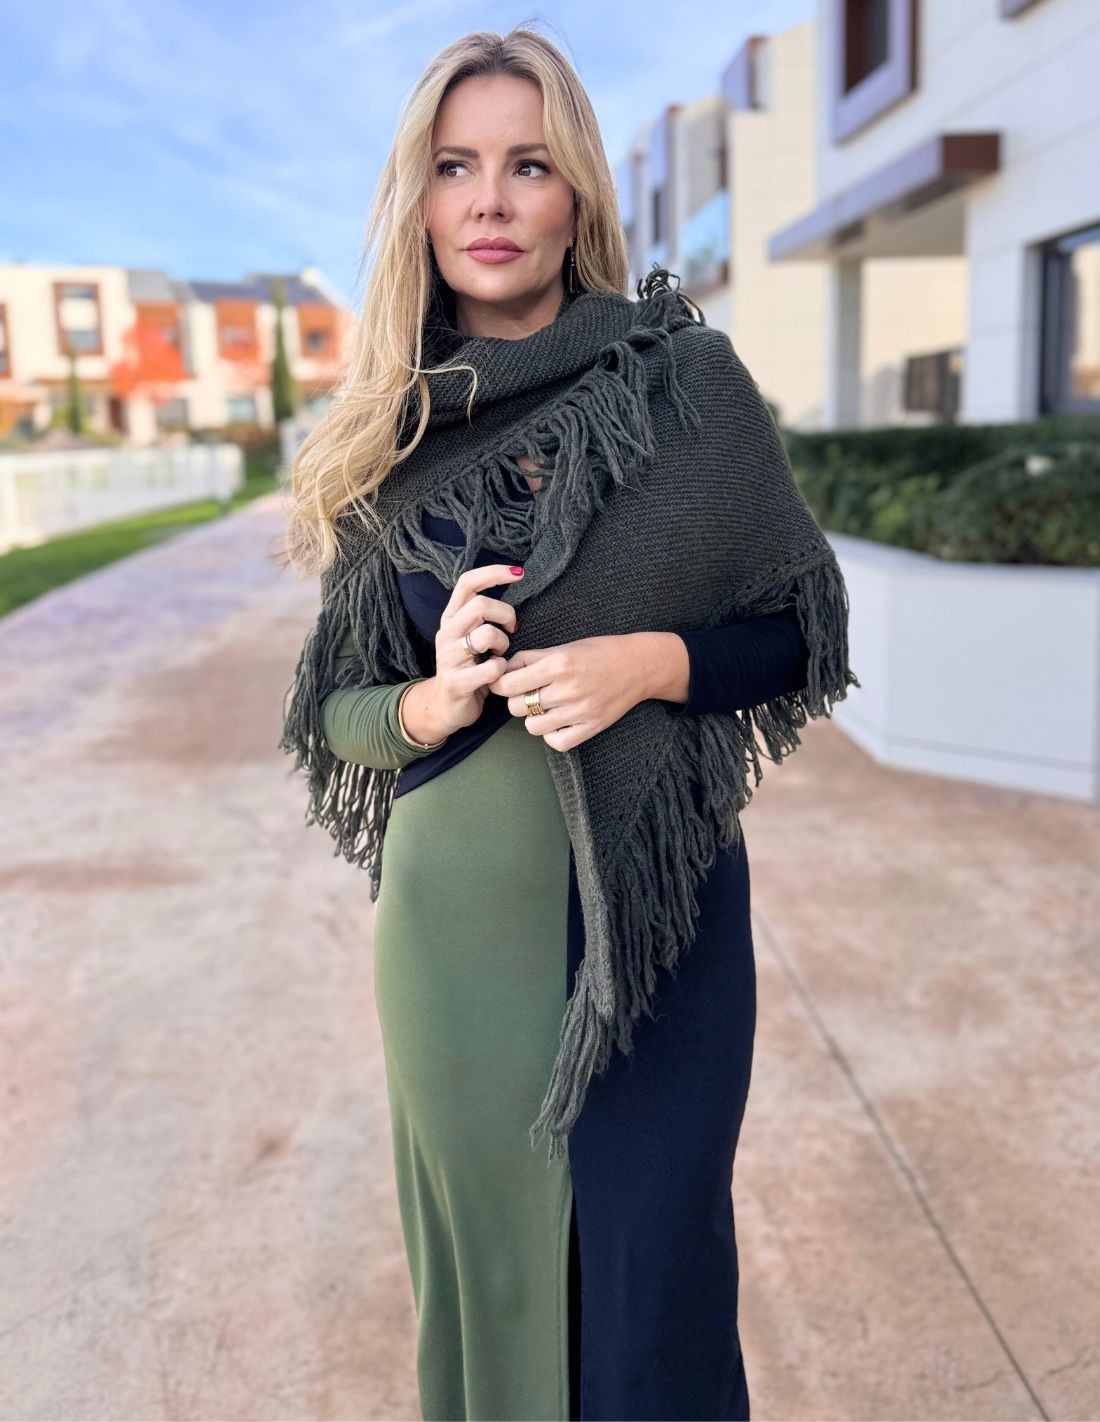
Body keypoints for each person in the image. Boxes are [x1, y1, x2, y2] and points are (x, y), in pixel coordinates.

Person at [279, 26, 858, 1422]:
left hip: (659, 921)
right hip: (456, 940)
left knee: (655, 1290)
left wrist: (648, 664)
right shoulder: (390, 435)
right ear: (419, 200)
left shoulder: (686, 383)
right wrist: (433, 697)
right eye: (455, 166)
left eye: (528, 165)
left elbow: (803, 627)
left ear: (578, 192)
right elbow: (337, 713)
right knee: (497, 1288)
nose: (489, 200)